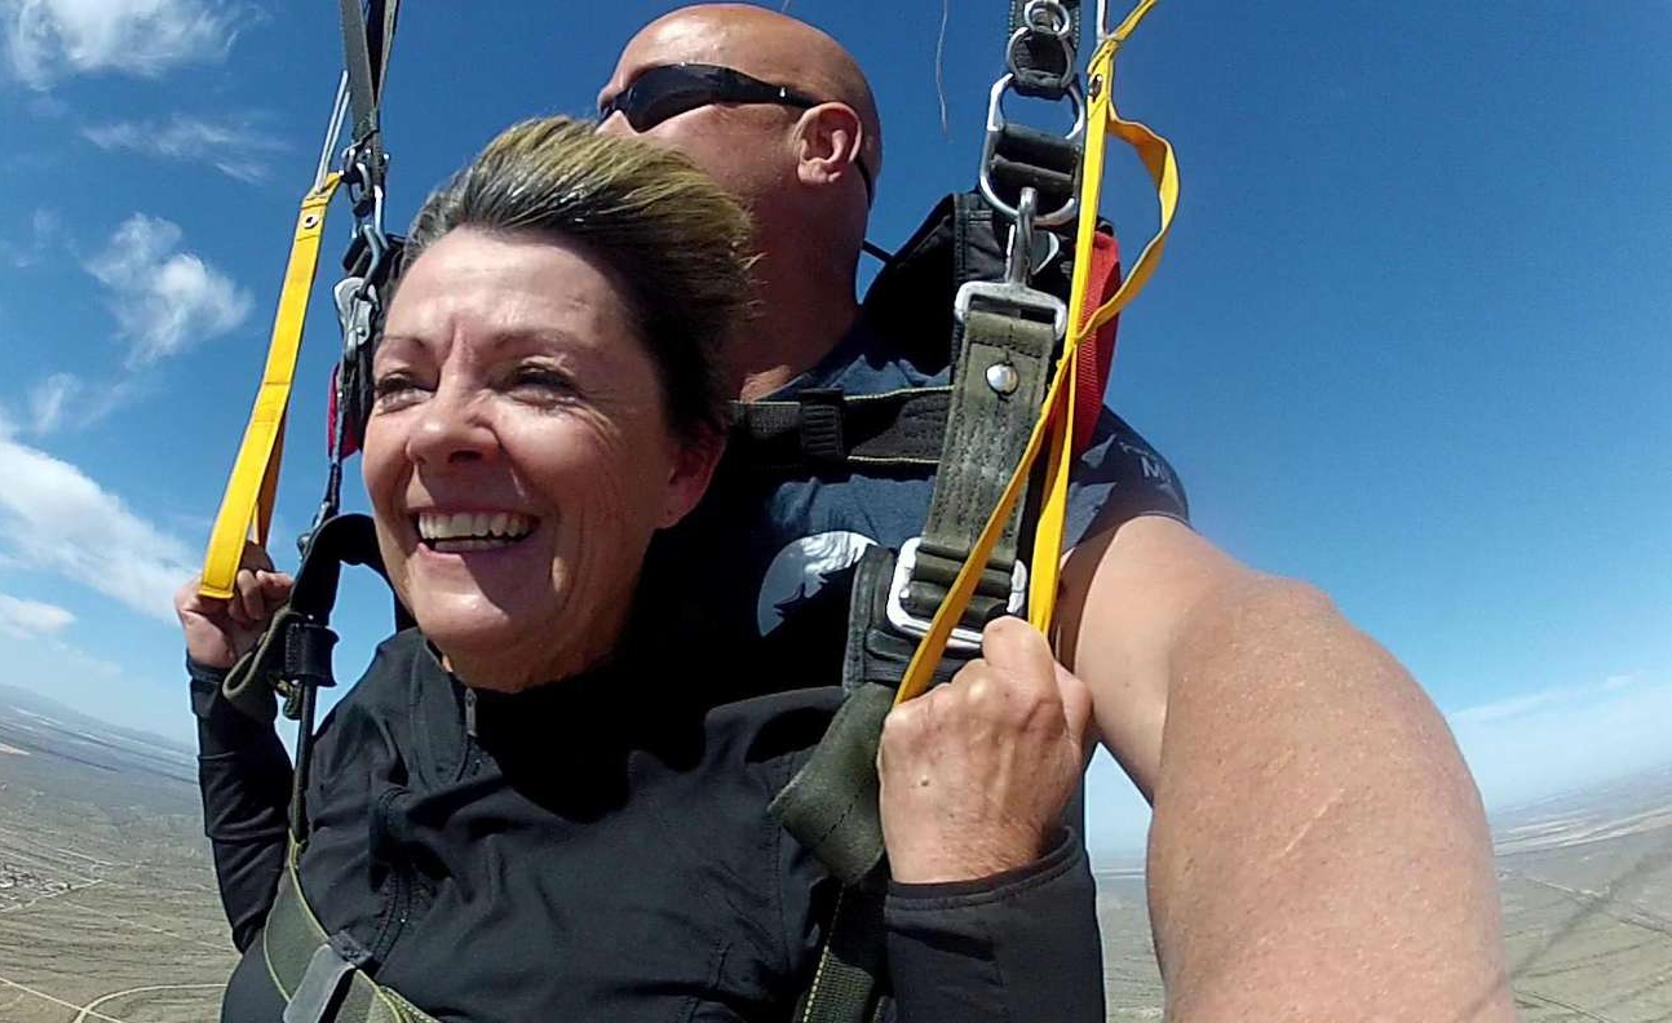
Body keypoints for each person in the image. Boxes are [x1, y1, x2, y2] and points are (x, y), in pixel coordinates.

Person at [589, 5, 1514, 1020]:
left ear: (821, 143)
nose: (598, 134)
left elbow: (1223, 657)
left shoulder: (992, 446)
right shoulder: (514, 423)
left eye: (643, 101)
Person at [184, 117, 1104, 1021]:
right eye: (401, 383)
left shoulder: (805, 817)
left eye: (537, 378)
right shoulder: (390, 698)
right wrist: (224, 695)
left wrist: (983, 897)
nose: (436, 430)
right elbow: (293, 948)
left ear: (683, 464)